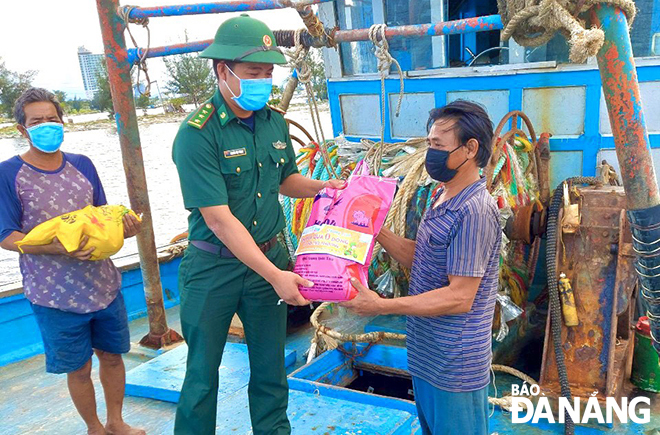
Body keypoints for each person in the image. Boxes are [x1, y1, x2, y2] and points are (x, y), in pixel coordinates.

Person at [171, 14, 345, 435]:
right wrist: (276, 276)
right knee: (201, 376)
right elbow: (218, 219)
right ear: (222, 71)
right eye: (253, 73)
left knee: (270, 368)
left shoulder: (273, 122)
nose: (263, 81)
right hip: (214, 269)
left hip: (270, 255)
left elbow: (285, 179)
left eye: (268, 73)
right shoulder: (197, 134)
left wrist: (324, 187)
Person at [341, 100, 501, 435]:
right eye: (429, 144)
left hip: (455, 366)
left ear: (470, 149)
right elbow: (422, 258)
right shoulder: (442, 196)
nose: (431, 154)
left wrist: (381, 306)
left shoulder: (474, 210)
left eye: (438, 146)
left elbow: (460, 297)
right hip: (427, 355)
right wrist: (374, 227)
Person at [0, 88, 143, 435]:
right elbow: (7, 236)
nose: (47, 125)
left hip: (103, 284)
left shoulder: (82, 165)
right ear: (22, 129)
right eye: (37, 121)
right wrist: (56, 248)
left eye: (52, 118)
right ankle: (94, 427)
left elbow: (102, 218)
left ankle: (116, 421)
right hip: (53, 294)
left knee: (112, 356)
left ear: (63, 121)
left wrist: (126, 230)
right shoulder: (8, 173)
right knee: (77, 368)